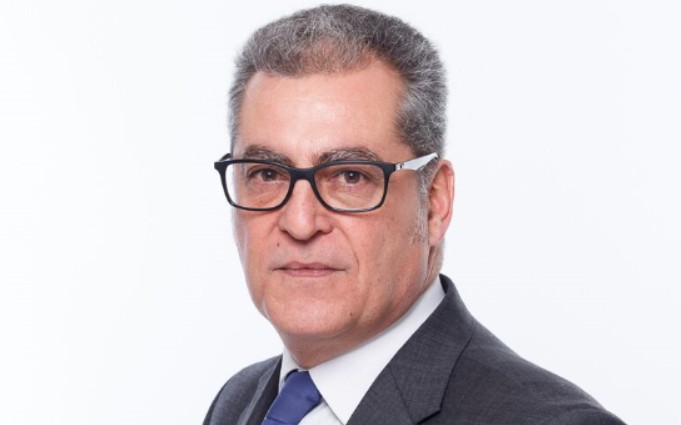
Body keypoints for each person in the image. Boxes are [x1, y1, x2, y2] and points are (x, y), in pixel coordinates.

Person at [204, 4, 625, 425]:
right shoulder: (238, 402)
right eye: (267, 174)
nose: (300, 223)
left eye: (350, 176)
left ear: (435, 201)